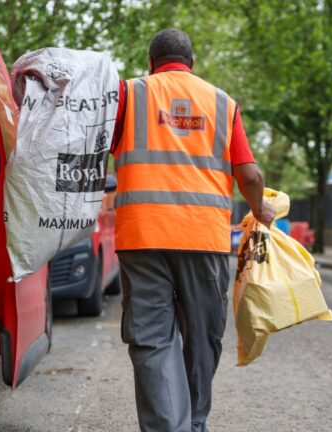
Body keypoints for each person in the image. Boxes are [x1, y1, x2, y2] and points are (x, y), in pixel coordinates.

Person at [109, 29, 275, 432]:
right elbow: (249, 174)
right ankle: (194, 423)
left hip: (143, 238)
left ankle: (169, 428)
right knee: (203, 338)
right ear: (192, 64)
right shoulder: (222, 103)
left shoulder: (128, 95)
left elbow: (97, 149)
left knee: (151, 340)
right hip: (204, 239)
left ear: (151, 63)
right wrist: (260, 209)